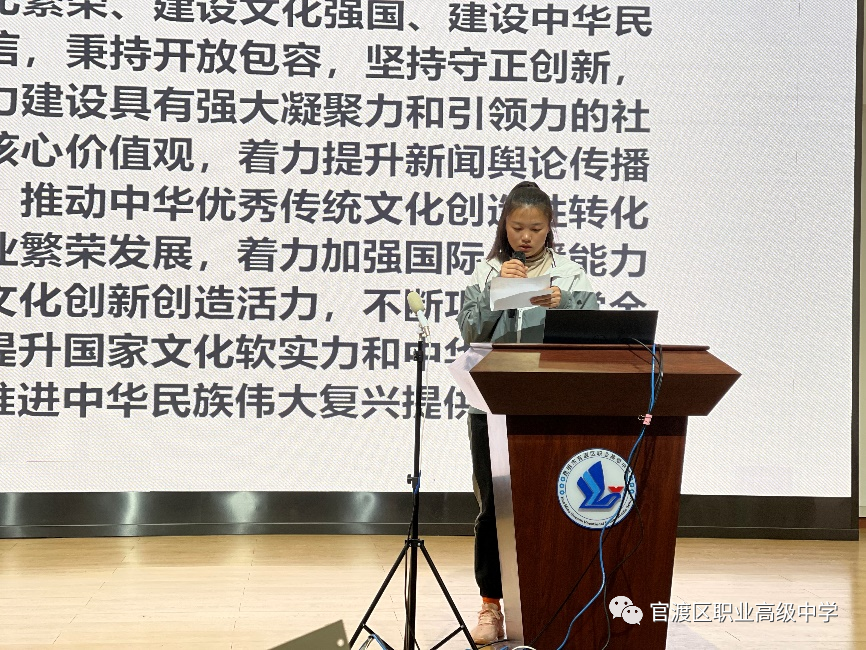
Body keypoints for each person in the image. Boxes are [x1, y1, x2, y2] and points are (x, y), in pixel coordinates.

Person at [457, 181, 599, 644]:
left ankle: (548, 600)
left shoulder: (570, 275)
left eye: (536, 228)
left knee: (550, 504)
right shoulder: (487, 272)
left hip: (551, 404)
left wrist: (566, 306)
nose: (525, 236)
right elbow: (469, 332)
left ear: (549, 227)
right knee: (492, 508)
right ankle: (491, 606)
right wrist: (500, 291)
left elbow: (597, 336)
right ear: (504, 225)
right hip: (491, 405)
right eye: (517, 227)